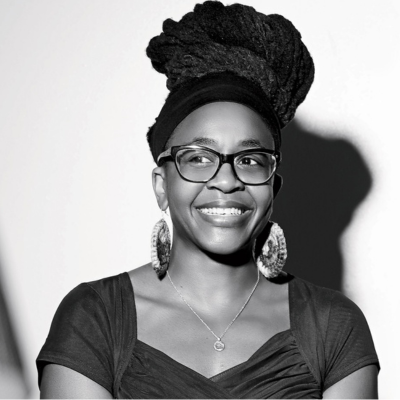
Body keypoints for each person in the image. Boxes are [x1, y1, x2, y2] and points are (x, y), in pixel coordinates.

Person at [37, 1, 379, 398]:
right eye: (199, 158)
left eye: (249, 160)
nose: (226, 179)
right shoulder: (95, 317)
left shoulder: (334, 325)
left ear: (273, 189)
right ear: (162, 185)